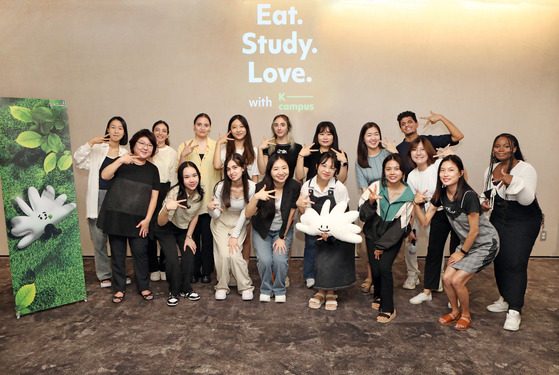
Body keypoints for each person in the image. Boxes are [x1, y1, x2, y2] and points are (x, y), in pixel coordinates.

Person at [413, 155, 499, 330]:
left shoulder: (469, 196)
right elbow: (424, 221)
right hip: (467, 244)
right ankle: (454, 312)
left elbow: (474, 230)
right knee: (446, 278)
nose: (446, 174)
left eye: (451, 170)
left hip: (484, 244)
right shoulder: (442, 194)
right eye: (442, 170)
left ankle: (466, 315)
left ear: (460, 173)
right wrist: (416, 204)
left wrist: (462, 252)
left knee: (458, 280)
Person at [482, 134, 543, 331]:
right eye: (497, 146)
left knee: (516, 261)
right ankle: (505, 298)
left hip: (524, 219)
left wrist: (510, 180)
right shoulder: (490, 169)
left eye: (506, 146)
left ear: (514, 148)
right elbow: (488, 194)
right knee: (499, 257)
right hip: (499, 217)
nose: (501, 149)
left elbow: (526, 199)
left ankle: (515, 310)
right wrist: (484, 203)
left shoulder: (526, 169)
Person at [97, 129, 160, 303]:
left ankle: (143, 286)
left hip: (139, 220)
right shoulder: (122, 162)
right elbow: (104, 175)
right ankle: (119, 288)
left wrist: (148, 219)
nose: (145, 147)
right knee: (117, 254)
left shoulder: (153, 169)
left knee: (140, 253)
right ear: (133, 144)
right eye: (142, 143)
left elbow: (154, 197)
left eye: (149, 145)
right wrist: (120, 161)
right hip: (116, 217)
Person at [73, 116, 129, 288]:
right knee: (98, 238)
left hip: (117, 200)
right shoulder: (97, 149)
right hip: (98, 196)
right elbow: (78, 160)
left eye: (120, 128)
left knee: (118, 239)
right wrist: (90, 143)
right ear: (107, 130)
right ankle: (104, 275)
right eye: (113, 127)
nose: (116, 131)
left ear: (124, 132)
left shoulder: (125, 153)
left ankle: (120, 274)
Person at [359, 154, 414, 323]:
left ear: (403, 172)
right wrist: (370, 203)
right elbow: (362, 216)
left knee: (384, 267)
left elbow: (401, 225)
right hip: (372, 232)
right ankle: (378, 295)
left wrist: (381, 246)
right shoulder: (375, 187)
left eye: (396, 168)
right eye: (388, 169)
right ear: (383, 171)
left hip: (393, 235)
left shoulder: (409, 194)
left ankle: (388, 308)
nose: (392, 172)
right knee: (375, 269)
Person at [297, 151, 355, 311]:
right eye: (324, 165)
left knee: (330, 259)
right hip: (315, 228)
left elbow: (342, 212)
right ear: (316, 166)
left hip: (334, 230)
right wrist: (300, 205)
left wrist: (330, 232)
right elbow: (305, 214)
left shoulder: (339, 188)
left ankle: (330, 291)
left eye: (332, 167)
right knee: (316, 256)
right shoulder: (307, 186)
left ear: (336, 171)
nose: (327, 170)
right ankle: (320, 290)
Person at [406, 138, 461, 303]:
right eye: (415, 150)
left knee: (455, 252)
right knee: (433, 252)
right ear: (410, 154)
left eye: (422, 149)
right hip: (434, 213)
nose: (419, 153)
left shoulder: (438, 166)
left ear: (429, 151)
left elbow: (461, 177)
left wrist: (452, 157)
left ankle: (457, 293)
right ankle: (427, 291)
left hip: (455, 212)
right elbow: (413, 202)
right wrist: (410, 227)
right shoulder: (412, 176)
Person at [295, 121, 348, 288]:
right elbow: (299, 176)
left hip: (332, 211)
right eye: (322, 133)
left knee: (331, 246)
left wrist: (343, 162)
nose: (325, 137)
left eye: (329, 133)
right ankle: (310, 274)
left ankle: (330, 277)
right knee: (311, 243)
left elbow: (343, 180)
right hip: (312, 204)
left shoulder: (340, 156)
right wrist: (301, 156)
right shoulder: (310, 154)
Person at [246, 154, 300, 302]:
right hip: (262, 229)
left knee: (280, 260)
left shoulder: (294, 186)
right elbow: (247, 213)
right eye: (276, 169)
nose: (281, 172)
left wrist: (282, 237)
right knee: (264, 260)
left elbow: (290, 214)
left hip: (282, 229)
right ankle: (266, 289)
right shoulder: (261, 187)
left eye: (284, 168)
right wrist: (256, 197)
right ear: (269, 171)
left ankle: (279, 289)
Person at [177, 113, 221, 284]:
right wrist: (183, 155)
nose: (202, 127)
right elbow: (179, 173)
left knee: (208, 240)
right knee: (192, 237)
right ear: (194, 126)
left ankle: (206, 271)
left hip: (211, 201)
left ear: (210, 127)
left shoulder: (216, 145)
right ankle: (194, 270)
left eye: (206, 125)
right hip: (191, 202)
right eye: (199, 124)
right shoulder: (184, 145)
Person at [208, 154, 255, 301]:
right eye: (228, 169)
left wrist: (235, 235)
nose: (231, 172)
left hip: (240, 221)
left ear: (243, 168)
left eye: (235, 167)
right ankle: (222, 286)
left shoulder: (251, 186)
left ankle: (245, 286)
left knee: (234, 254)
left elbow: (245, 213)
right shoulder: (221, 186)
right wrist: (209, 208)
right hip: (220, 221)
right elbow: (215, 215)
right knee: (223, 254)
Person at [156, 161, 204, 307]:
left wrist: (189, 237)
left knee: (189, 253)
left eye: (194, 175)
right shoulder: (174, 193)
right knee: (171, 259)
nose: (192, 180)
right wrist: (166, 208)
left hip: (183, 229)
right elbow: (160, 222)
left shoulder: (200, 192)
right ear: (181, 179)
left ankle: (186, 289)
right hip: (166, 228)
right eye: (187, 177)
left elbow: (195, 215)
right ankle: (174, 291)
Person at [213, 114, 258, 264]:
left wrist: (255, 200)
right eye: (234, 127)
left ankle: (242, 268)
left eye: (241, 126)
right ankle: (229, 269)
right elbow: (216, 166)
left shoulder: (253, 150)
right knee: (228, 236)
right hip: (229, 196)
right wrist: (219, 144)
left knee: (245, 236)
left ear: (247, 128)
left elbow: (255, 176)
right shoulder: (225, 148)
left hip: (247, 196)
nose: (238, 130)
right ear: (230, 130)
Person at [354, 122, 393, 294]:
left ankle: (380, 278)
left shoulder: (388, 154)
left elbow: (397, 178)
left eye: (376, 134)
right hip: (369, 206)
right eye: (369, 135)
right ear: (363, 138)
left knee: (383, 245)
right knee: (368, 244)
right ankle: (370, 276)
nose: (373, 138)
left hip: (389, 205)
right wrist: (372, 203)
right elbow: (364, 189)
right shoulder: (360, 161)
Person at [148, 120, 178, 282]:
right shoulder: (147, 149)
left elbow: (173, 177)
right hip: (149, 191)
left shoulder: (172, 152)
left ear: (167, 134)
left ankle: (164, 266)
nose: (160, 133)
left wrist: (172, 196)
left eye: (163, 130)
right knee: (151, 231)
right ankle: (153, 267)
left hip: (166, 191)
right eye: (157, 130)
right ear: (152, 132)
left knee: (166, 229)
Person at [395, 111, 464, 174]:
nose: (407, 125)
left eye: (410, 122)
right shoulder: (398, 149)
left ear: (417, 124)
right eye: (403, 124)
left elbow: (458, 136)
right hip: (411, 185)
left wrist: (441, 117)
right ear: (401, 129)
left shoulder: (429, 140)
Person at [257, 114, 302, 179]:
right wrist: (260, 149)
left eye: (282, 125)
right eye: (276, 125)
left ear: (288, 128)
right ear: (273, 128)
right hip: (271, 186)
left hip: (289, 186)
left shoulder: (297, 147)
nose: (279, 128)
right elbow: (262, 171)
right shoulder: (267, 146)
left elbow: (300, 176)